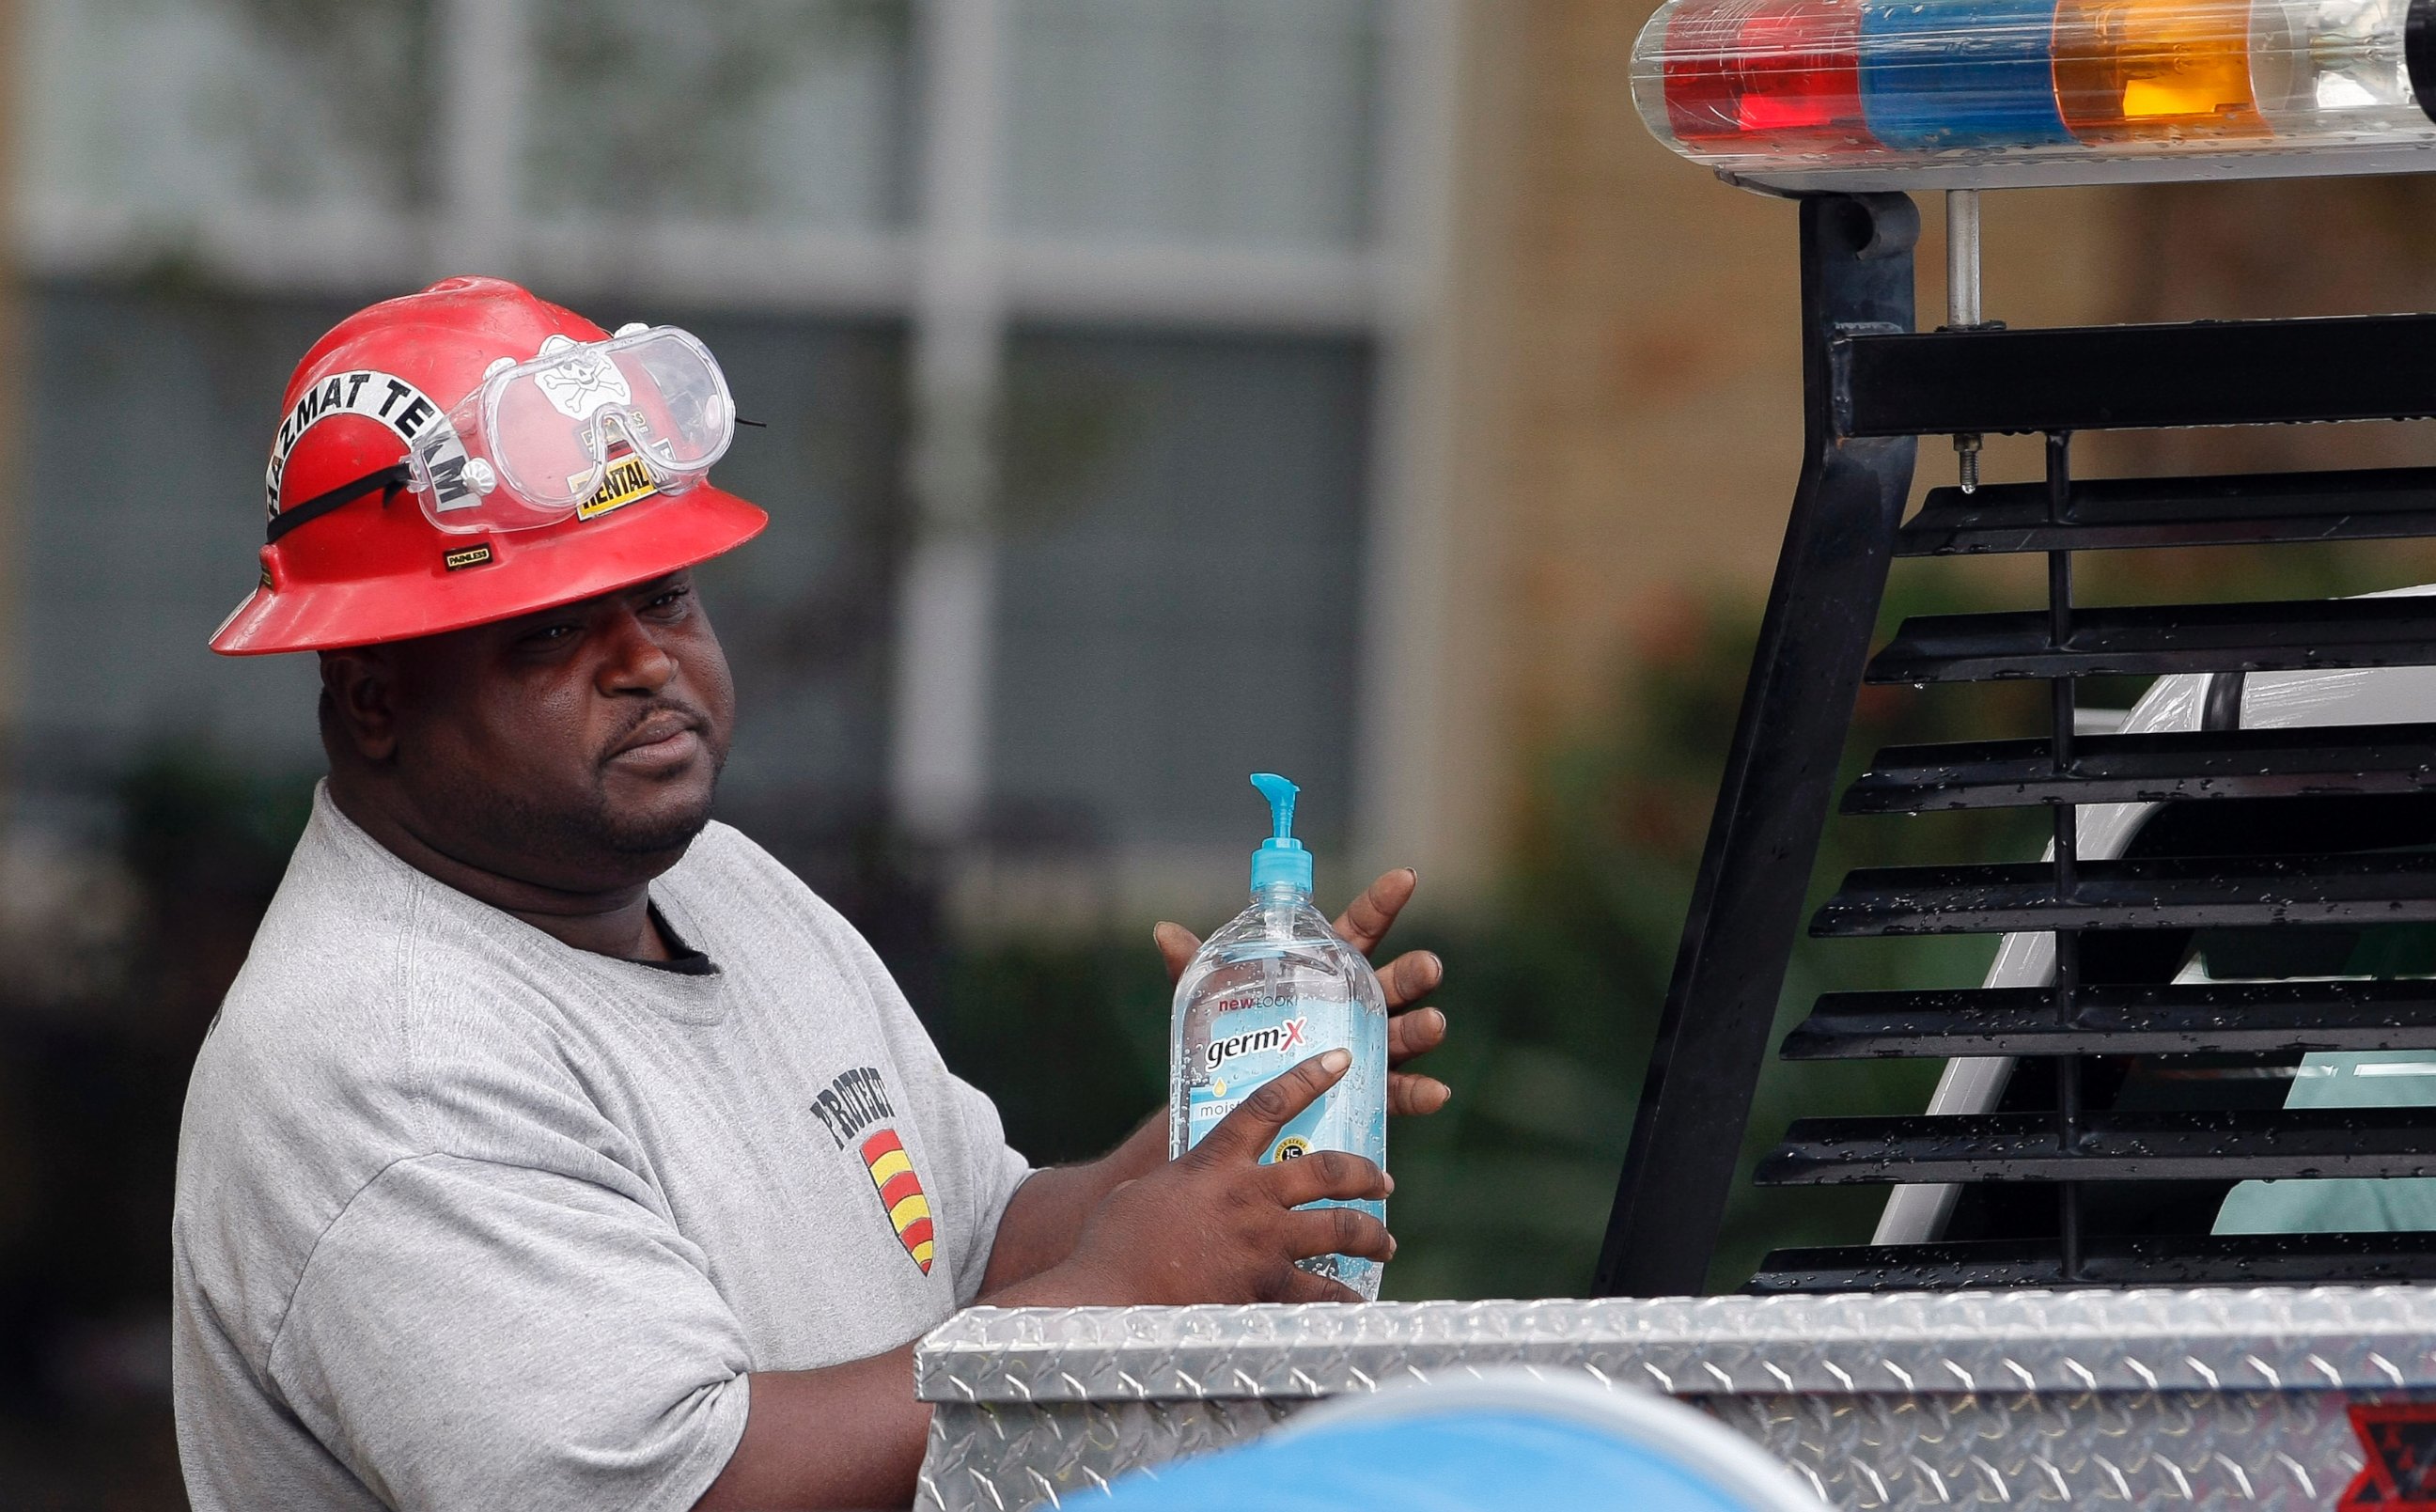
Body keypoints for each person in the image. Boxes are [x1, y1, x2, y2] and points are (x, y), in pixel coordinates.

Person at [170, 277, 1453, 1511]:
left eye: (664, 596)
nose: (646, 663)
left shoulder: (711, 878)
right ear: (377, 697)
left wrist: (1226, 1124)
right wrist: (1127, 1291)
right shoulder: (381, 1058)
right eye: (554, 631)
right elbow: (691, 1487)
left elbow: (981, 1247)